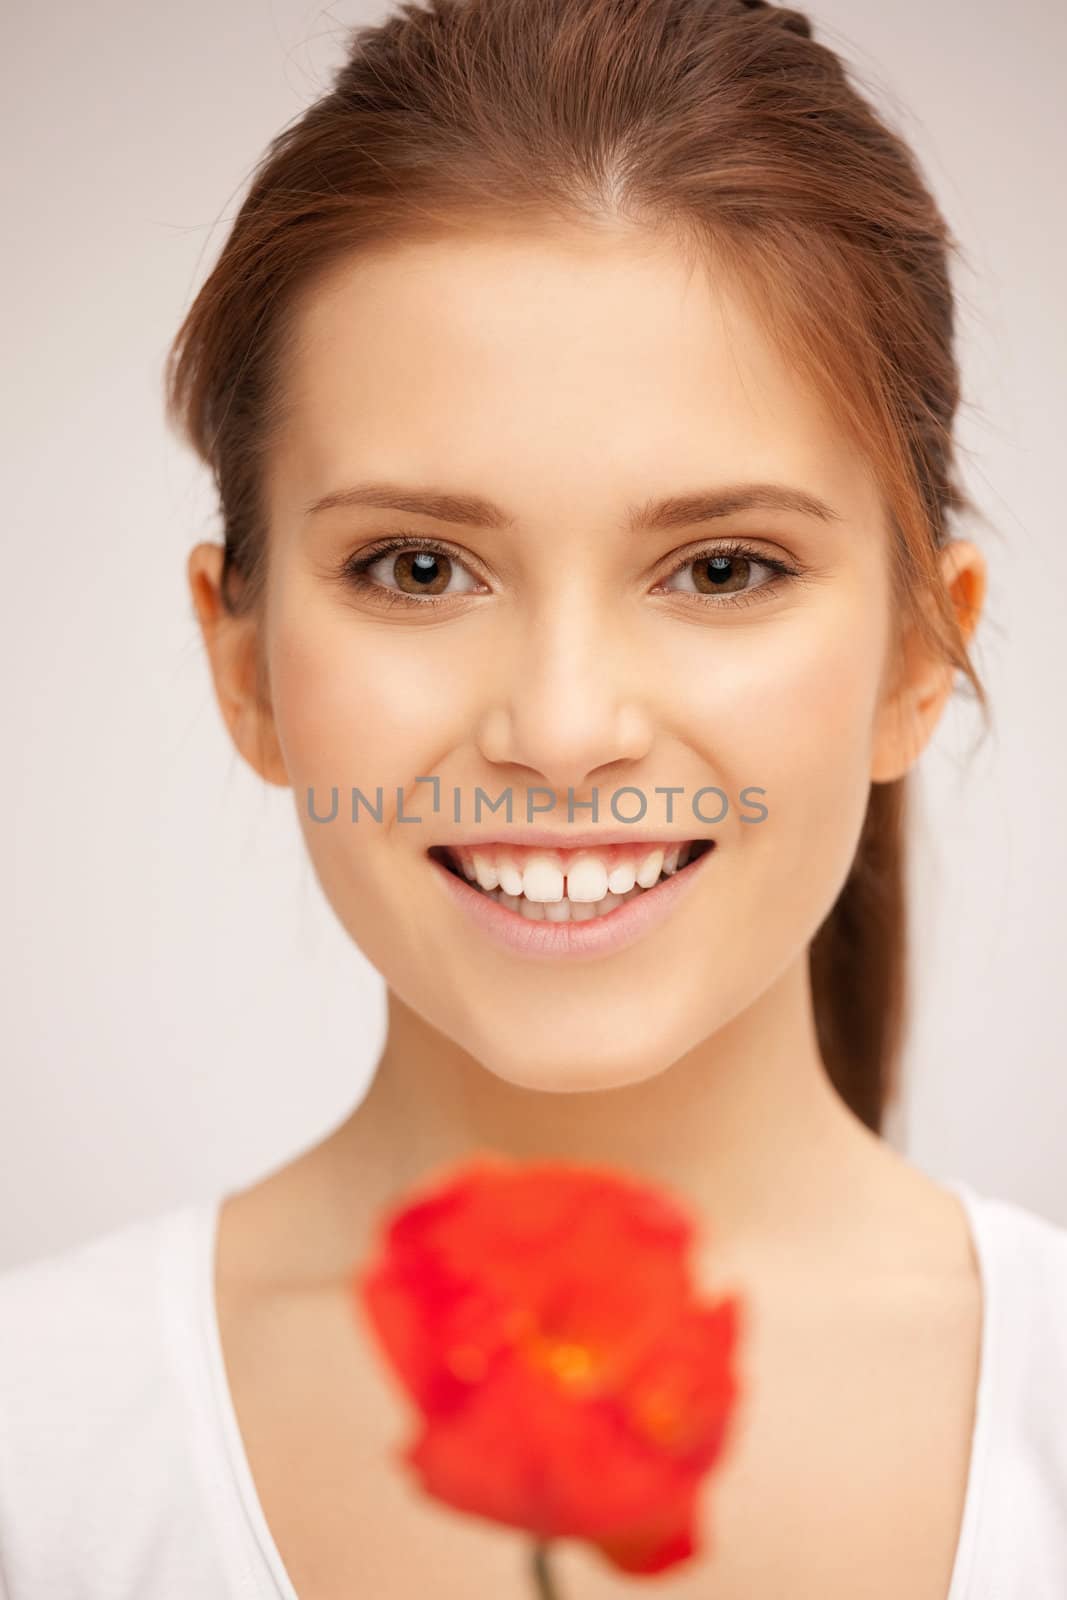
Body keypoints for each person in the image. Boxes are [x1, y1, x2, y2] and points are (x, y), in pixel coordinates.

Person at [2, 0, 1066, 1595]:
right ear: (245, 667)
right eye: (419, 568)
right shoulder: (40, 1451)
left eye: (722, 567)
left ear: (921, 655)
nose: (563, 733)